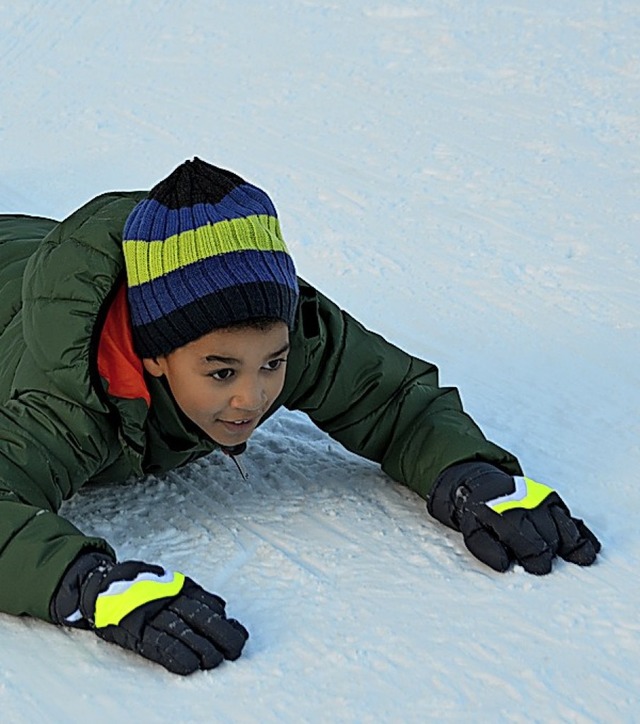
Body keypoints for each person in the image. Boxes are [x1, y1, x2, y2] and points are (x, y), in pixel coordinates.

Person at [0, 158, 600, 675]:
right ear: (153, 355)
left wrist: (469, 472)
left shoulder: (278, 328)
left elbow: (391, 398)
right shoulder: (65, 401)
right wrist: (86, 584)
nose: (253, 397)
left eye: (274, 364)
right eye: (220, 373)